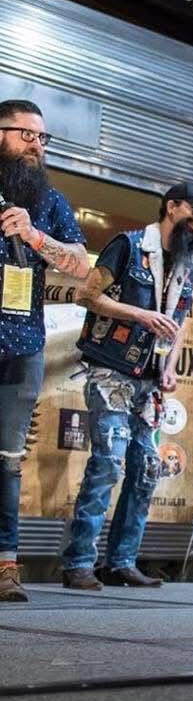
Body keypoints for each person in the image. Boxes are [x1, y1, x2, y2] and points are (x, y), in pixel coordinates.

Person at [61, 182, 193, 589]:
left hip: (147, 379)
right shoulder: (129, 245)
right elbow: (87, 296)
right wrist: (140, 315)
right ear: (172, 207)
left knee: (147, 467)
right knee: (108, 463)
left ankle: (121, 562)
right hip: (109, 368)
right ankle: (79, 562)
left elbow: (179, 320)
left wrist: (168, 366)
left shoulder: (184, 263)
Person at [0, 100, 88, 602]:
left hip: (22, 345)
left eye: (42, 137)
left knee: (7, 461)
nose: (36, 144)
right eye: (25, 134)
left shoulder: (49, 201)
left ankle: (5, 565)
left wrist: (33, 236)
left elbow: (79, 265)